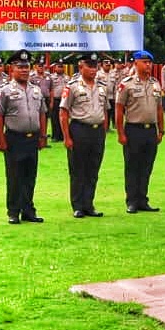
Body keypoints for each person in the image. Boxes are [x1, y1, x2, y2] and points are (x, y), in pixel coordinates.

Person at [0, 50, 47, 224]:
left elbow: (42, 113)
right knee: (15, 176)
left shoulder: (36, 90)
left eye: (26, 67)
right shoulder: (5, 90)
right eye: (20, 67)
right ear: (12, 69)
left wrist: (43, 136)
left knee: (30, 176)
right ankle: (13, 211)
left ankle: (28, 210)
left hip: (32, 138)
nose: (24, 70)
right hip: (14, 138)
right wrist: (0, 139)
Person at [60, 53, 110, 218]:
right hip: (79, 130)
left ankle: (89, 204)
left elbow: (104, 110)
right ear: (81, 67)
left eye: (95, 66)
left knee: (93, 169)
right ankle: (78, 205)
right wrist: (66, 136)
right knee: (78, 170)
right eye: (89, 66)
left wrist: (104, 130)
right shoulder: (72, 86)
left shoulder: (102, 86)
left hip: (97, 132)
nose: (93, 69)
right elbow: (63, 112)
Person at [116, 50, 165, 213]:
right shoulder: (127, 84)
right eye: (144, 62)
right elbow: (119, 109)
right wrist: (121, 133)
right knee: (132, 166)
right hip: (133, 129)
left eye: (150, 62)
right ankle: (132, 201)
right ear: (136, 63)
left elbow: (159, 108)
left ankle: (143, 199)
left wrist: (161, 129)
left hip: (150, 130)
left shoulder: (155, 83)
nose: (148, 65)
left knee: (146, 167)